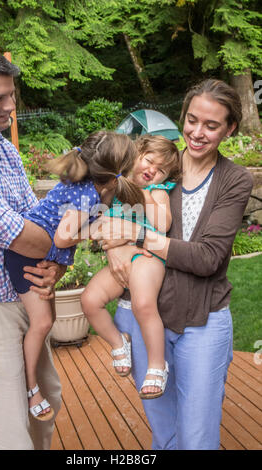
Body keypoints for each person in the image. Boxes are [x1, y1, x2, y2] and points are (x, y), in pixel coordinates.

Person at [90, 79, 253, 450]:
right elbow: (103, 209)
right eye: (192, 120)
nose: (197, 132)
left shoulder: (234, 180)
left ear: (229, 129)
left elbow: (208, 257)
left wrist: (129, 239)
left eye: (211, 125)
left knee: (195, 437)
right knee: (164, 433)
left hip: (202, 319)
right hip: (142, 314)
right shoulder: (159, 163)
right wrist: (111, 245)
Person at [0, 47, 64, 450]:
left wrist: (54, 262)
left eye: (12, 95)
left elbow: (37, 220)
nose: (10, 106)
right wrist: (60, 239)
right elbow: (23, 234)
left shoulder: (2, 148)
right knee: (8, 438)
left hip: (25, 298)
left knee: (45, 410)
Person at [4, 130, 143, 420]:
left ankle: (31, 382)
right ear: (115, 170)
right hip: (25, 256)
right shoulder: (87, 192)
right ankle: (31, 389)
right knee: (42, 323)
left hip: (39, 252)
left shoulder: (98, 185)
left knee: (46, 322)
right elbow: (64, 238)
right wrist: (98, 230)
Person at [81, 136, 181, 399]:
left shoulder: (158, 191)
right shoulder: (117, 185)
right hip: (122, 257)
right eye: (149, 160)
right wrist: (110, 240)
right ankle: (118, 342)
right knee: (89, 300)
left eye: (161, 169)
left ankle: (158, 364)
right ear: (136, 154)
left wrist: (146, 194)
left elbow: (162, 226)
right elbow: (97, 225)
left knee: (143, 305)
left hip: (147, 257)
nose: (152, 170)